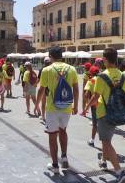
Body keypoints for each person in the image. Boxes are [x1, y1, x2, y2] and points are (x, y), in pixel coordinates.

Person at [86, 48, 125, 182]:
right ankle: (103, 161)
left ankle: (120, 172)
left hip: (104, 113)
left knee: (106, 142)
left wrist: (86, 107)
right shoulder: (122, 75)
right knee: (106, 140)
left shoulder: (101, 76)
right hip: (119, 112)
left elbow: (96, 96)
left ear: (105, 59)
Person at [37, 46, 79, 174]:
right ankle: (64, 155)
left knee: (52, 136)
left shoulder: (47, 70)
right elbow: (76, 89)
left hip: (52, 108)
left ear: (50, 56)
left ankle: (55, 166)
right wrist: (76, 106)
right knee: (63, 131)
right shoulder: (72, 69)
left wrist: (37, 105)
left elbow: (41, 89)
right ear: (62, 56)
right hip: (66, 107)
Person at [82, 65, 100, 147]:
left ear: (91, 73)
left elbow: (86, 95)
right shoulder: (102, 79)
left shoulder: (91, 80)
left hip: (94, 104)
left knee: (95, 124)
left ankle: (92, 140)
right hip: (104, 105)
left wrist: (86, 106)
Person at [38, 57, 51, 122]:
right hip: (51, 88)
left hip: (44, 87)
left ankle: (43, 116)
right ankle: (49, 116)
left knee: (43, 103)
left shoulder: (42, 69)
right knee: (50, 103)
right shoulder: (53, 68)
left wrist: (35, 84)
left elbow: (38, 79)